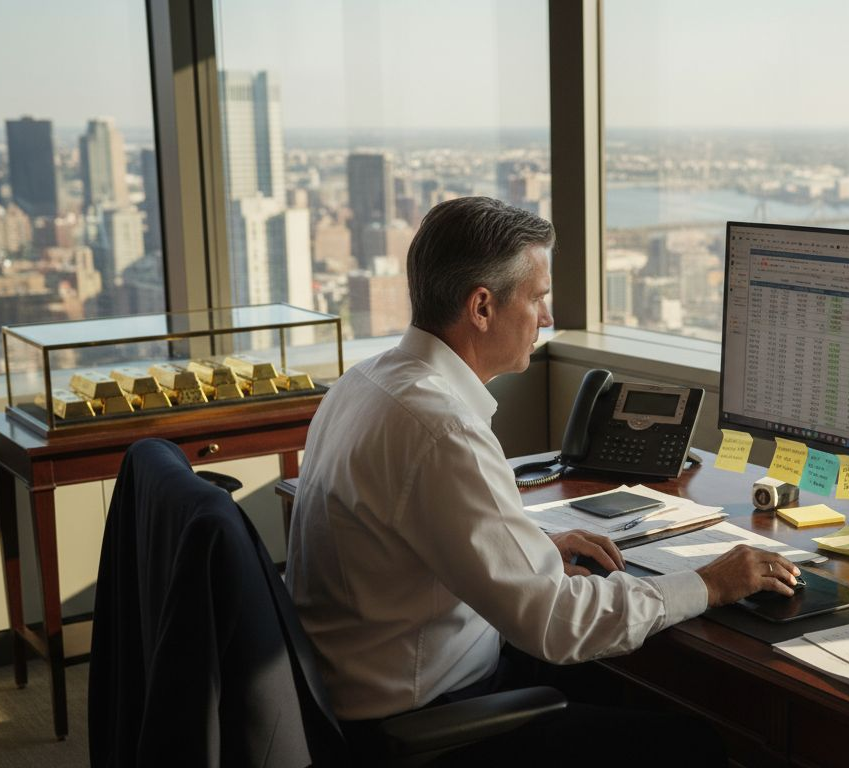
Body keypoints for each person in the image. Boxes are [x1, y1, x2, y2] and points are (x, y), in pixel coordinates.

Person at [285, 196, 800, 765]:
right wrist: (710, 583)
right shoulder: (442, 429)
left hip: (363, 694)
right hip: (422, 722)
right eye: (538, 298)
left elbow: (411, 543)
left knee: (617, 688)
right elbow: (557, 625)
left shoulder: (365, 382)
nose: (548, 318)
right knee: (693, 744)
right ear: (481, 307)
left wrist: (530, 551)